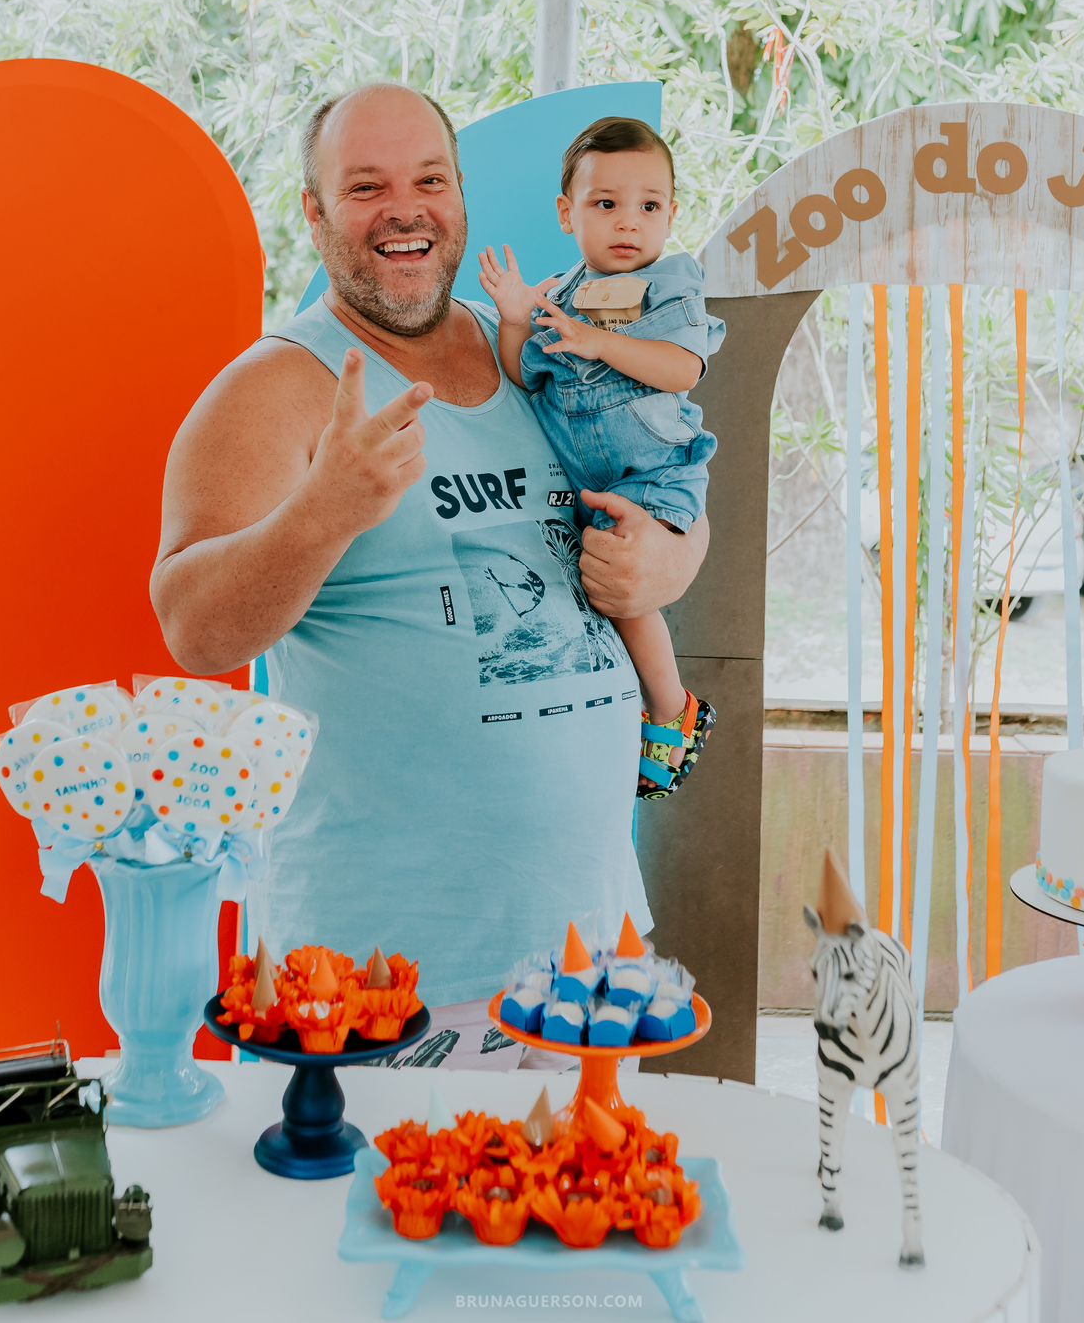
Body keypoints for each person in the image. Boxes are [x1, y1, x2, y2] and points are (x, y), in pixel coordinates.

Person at [150, 82, 709, 1005]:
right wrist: (324, 512)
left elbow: (663, 473)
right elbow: (194, 631)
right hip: (384, 973)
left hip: (592, 942)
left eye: (429, 180)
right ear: (315, 213)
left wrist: (670, 557)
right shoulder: (274, 387)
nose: (405, 210)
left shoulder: (533, 353)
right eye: (366, 186)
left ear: (459, 194)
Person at [477, 117, 722, 800]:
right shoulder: (559, 296)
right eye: (605, 203)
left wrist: (599, 342)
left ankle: (672, 710)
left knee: (626, 596)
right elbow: (524, 377)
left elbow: (682, 367)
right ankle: (631, 710)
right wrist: (515, 318)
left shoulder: (670, 282)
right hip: (584, 485)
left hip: (656, 472)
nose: (628, 222)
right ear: (567, 213)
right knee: (597, 594)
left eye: (649, 205)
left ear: (671, 215)